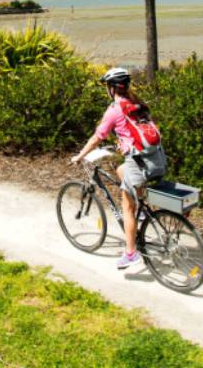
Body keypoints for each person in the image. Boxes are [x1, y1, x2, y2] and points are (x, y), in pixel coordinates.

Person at [71, 67, 164, 270]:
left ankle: (131, 254)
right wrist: (123, 144)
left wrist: (80, 156)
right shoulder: (139, 104)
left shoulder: (115, 110)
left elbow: (97, 137)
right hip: (158, 160)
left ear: (112, 88)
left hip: (139, 164)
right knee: (121, 170)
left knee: (127, 209)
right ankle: (141, 208)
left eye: (107, 86)